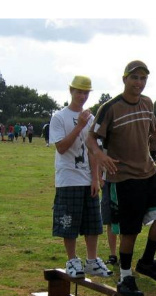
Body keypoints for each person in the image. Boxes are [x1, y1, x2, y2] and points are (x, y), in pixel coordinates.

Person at [87, 60, 156, 296]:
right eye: (134, 77)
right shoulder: (110, 108)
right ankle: (125, 277)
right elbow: (91, 138)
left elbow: (153, 127)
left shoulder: (147, 103)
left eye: (143, 78)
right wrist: (100, 156)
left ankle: (147, 262)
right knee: (130, 231)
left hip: (150, 172)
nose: (139, 83)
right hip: (123, 177)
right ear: (124, 79)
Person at [48, 75, 112, 280]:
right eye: (79, 92)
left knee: (93, 222)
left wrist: (95, 178)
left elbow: (93, 151)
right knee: (69, 223)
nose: (82, 96)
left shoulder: (91, 119)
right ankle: (72, 260)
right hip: (68, 179)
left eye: (86, 92)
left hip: (87, 179)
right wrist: (79, 126)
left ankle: (92, 261)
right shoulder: (59, 117)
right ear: (71, 91)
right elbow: (61, 147)